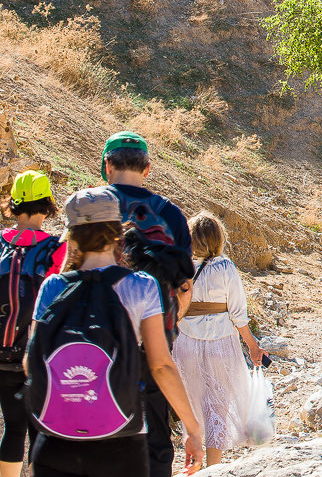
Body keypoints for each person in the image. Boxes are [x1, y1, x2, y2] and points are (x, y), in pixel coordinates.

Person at [30, 186, 203, 477]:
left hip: (55, 439)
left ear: (71, 235)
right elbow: (160, 365)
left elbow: (30, 362)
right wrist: (192, 430)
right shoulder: (141, 285)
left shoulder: (52, 287)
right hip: (121, 438)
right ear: (117, 231)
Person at [102, 131, 195, 477]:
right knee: (155, 440)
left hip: (98, 340)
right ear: (148, 168)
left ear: (108, 166)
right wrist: (169, 325)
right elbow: (184, 287)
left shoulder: (91, 204)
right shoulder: (169, 214)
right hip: (154, 342)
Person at [174, 213, 264, 469]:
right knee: (218, 406)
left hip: (185, 342)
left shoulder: (179, 266)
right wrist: (252, 345)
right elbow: (238, 313)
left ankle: (190, 462)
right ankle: (212, 469)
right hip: (221, 342)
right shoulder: (226, 268)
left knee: (189, 403)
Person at [0, 172, 65, 477]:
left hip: (2, 355)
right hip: (37, 357)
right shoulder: (55, 248)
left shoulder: (0, 242)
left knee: (12, 429)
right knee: (41, 432)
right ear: (46, 205)